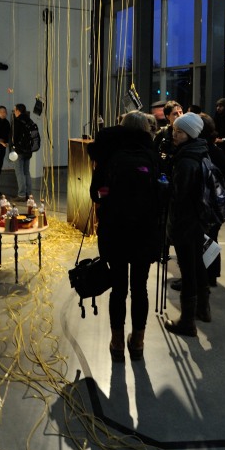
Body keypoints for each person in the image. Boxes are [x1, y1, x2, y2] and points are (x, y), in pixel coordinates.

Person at [87, 110, 161, 361]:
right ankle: (138, 342)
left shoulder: (108, 155)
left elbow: (94, 193)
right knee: (140, 289)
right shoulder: (151, 154)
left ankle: (117, 342)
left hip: (115, 230)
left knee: (118, 289)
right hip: (144, 230)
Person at [164, 112, 210, 337]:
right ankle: (203, 309)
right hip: (197, 219)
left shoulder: (185, 160)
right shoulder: (200, 150)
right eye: (174, 130)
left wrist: (163, 187)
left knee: (188, 268)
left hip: (185, 221)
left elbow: (178, 194)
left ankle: (187, 321)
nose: (175, 135)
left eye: (180, 132)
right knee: (197, 264)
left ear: (190, 134)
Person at [199, 113, 225, 291]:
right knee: (212, 239)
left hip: (206, 205)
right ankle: (211, 276)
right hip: (216, 204)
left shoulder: (205, 152)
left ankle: (203, 278)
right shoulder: (216, 151)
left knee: (202, 241)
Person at [11, 103, 36, 201]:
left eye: (14, 110)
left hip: (19, 150)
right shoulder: (30, 120)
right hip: (28, 150)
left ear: (17, 111)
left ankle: (21, 194)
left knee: (19, 172)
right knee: (26, 172)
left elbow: (15, 136)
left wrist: (13, 146)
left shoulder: (17, 121)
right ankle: (29, 194)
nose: (14, 112)